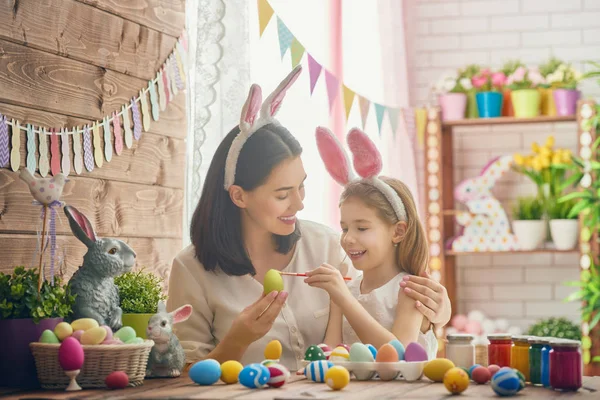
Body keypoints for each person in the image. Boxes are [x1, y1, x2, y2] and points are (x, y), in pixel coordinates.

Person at [167, 66, 451, 371]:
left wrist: (438, 314)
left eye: (302, 186)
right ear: (239, 196)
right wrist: (236, 341)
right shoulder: (192, 269)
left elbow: (381, 317)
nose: (300, 203)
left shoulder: (328, 245)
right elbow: (183, 375)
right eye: (282, 194)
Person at [305, 127, 436, 359]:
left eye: (362, 228)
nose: (348, 238)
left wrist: (343, 298)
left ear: (398, 231)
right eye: (344, 228)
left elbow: (398, 356)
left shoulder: (410, 291)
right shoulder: (345, 291)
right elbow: (333, 353)